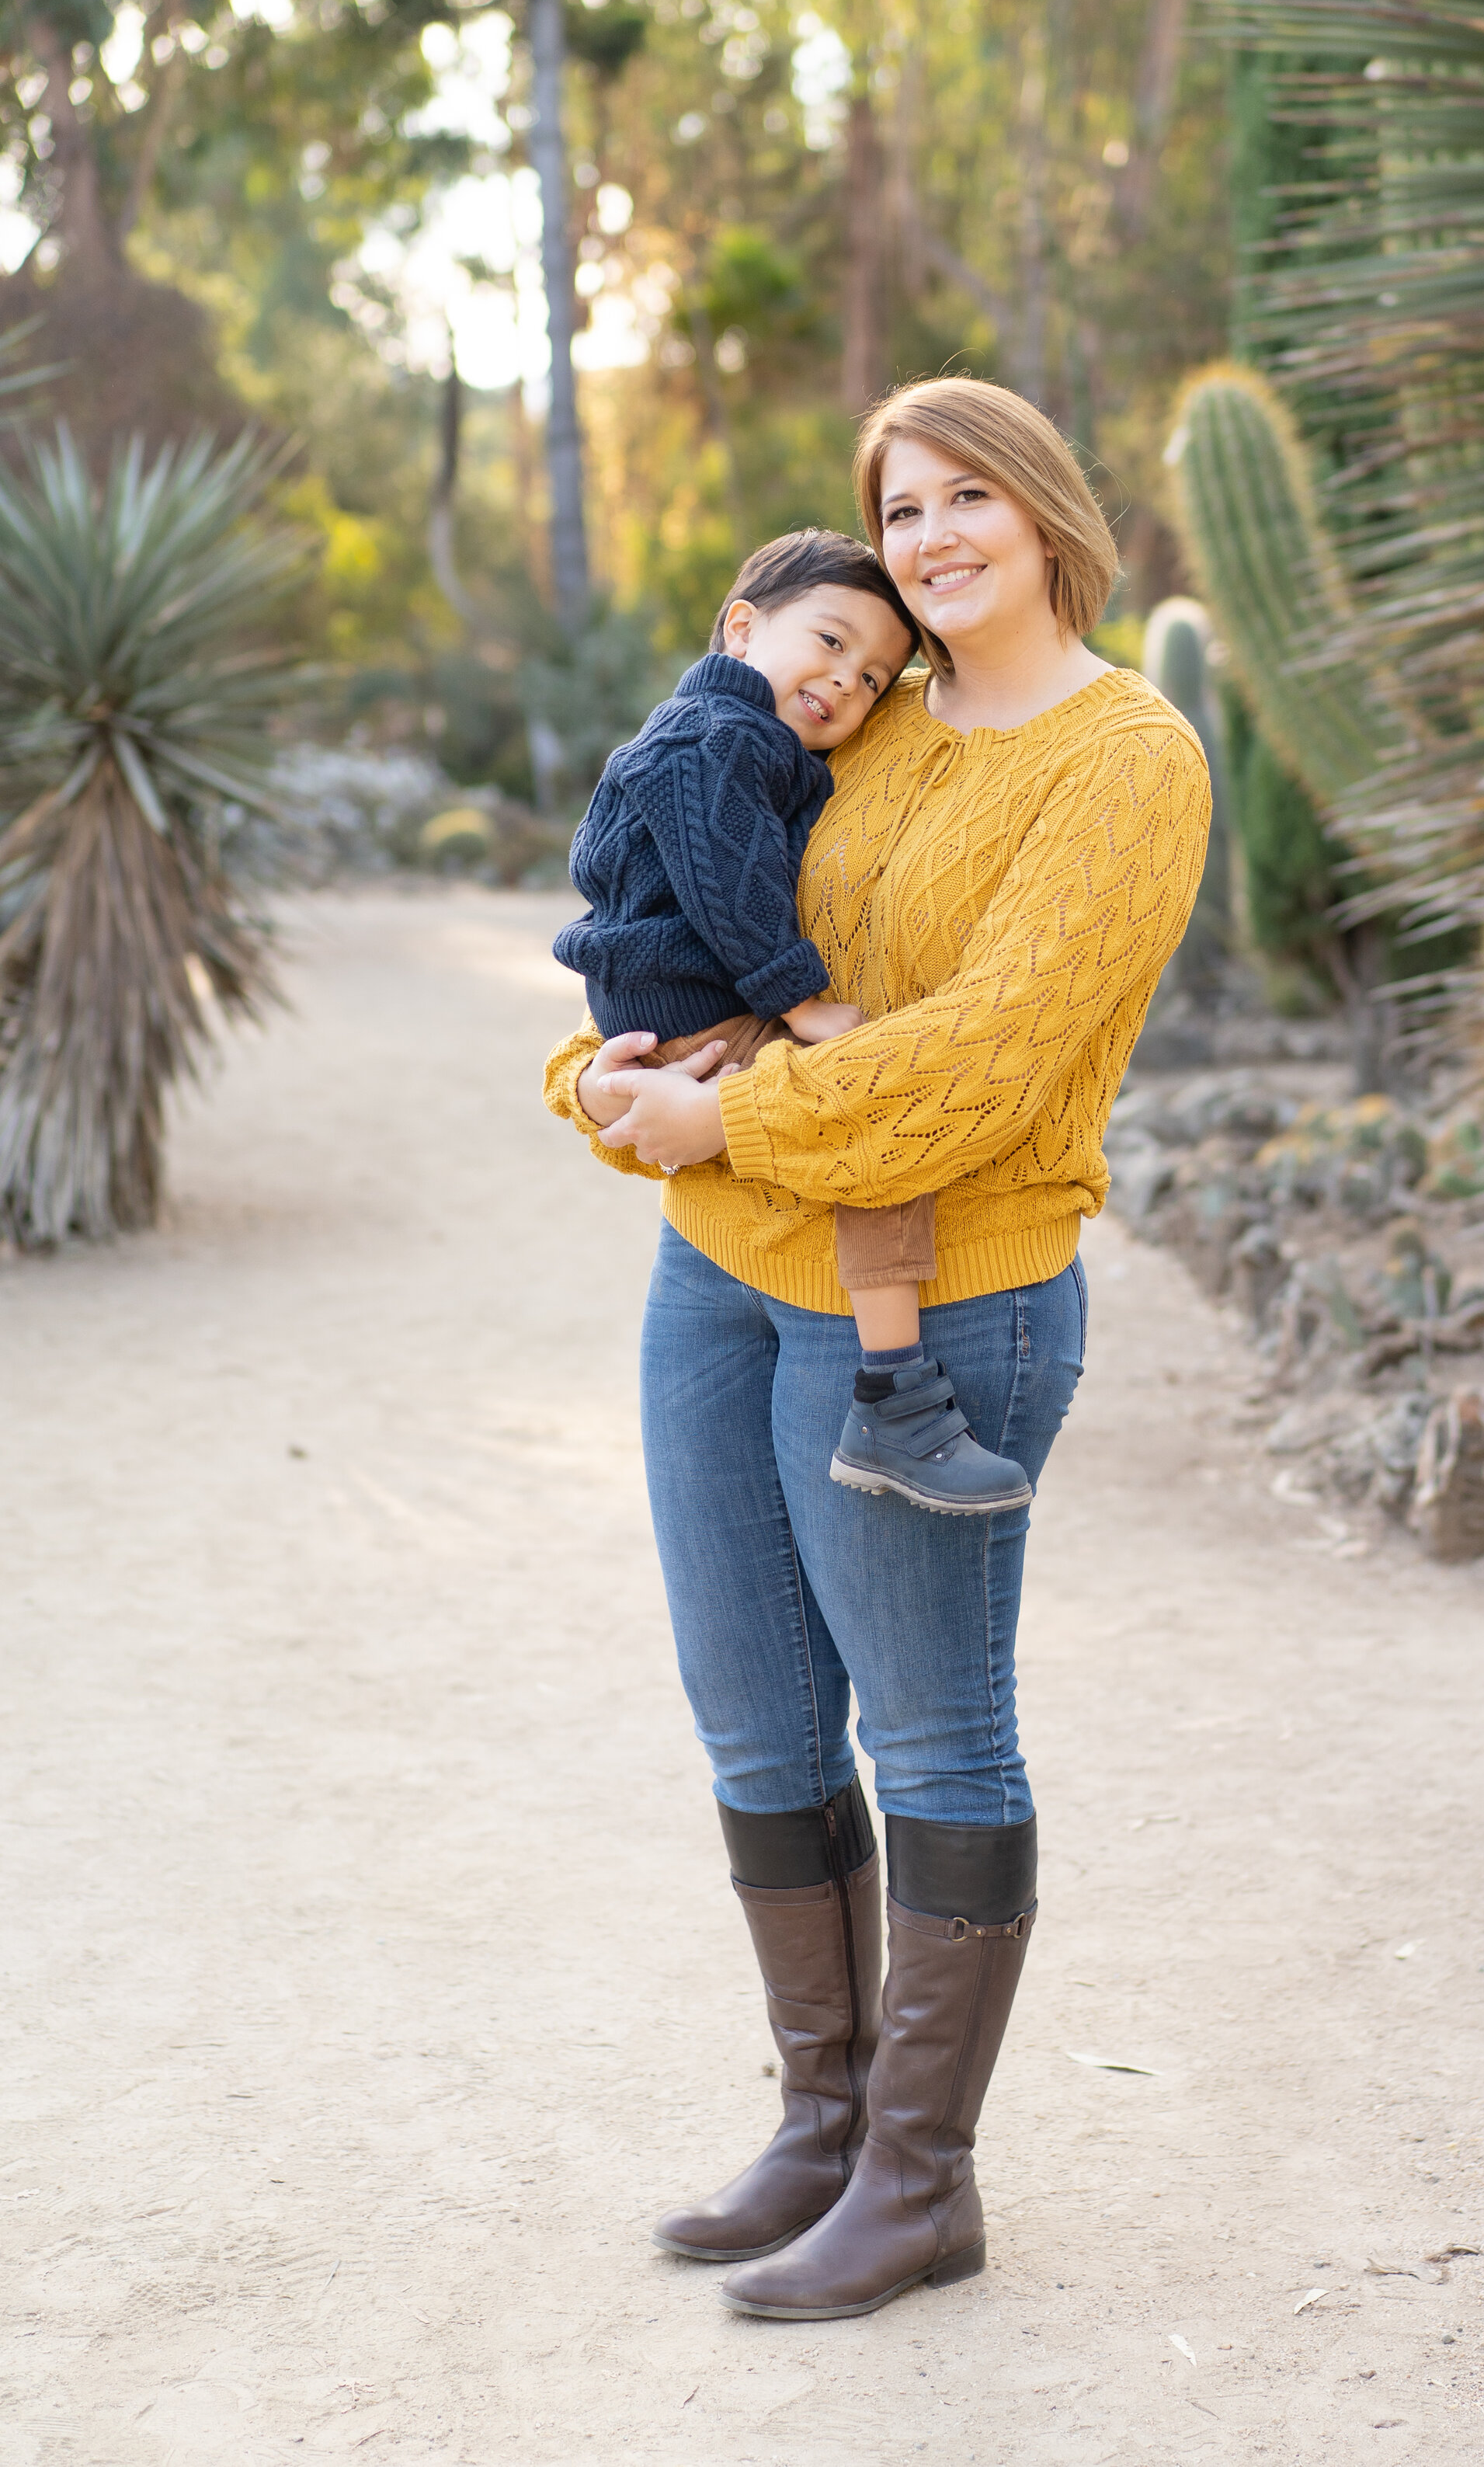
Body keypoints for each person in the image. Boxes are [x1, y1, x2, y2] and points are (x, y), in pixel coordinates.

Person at [542, 375, 1211, 2322]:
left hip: (948, 1298)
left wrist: (728, 1113)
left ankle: (922, 2178)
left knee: (929, 1728)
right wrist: (603, 1061)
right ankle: (821, 2122)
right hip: (720, 1272)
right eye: (897, 508)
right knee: (753, 1714)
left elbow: (990, 1063)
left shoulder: (1128, 758)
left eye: (963, 497)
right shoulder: (863, 714)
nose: (926, 536)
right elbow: (683, 907)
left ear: (1044, 511)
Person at [552, 528, 1031, 1512]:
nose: (845, 684)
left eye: (870, 677)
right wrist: (800, 1001)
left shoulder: (705, 736)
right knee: (879, 1124)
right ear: (741, 627)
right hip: (702, 1013)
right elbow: (729, 882)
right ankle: (897, 1399)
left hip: (666, 1010)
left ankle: (890, 1387)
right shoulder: (719, 741)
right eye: (827, 641)